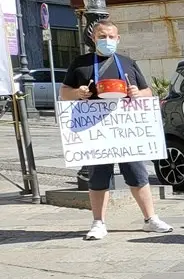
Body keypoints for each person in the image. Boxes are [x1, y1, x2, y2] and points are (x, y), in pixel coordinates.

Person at [59, 20, 173, 241]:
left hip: (125, 129)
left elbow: (147, 91)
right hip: (97, 131)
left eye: (111, 36)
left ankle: (150, 219)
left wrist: (138, 94)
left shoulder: (128, 63)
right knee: (98, 177)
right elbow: (64, 93)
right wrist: (79, 93)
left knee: (138, 174)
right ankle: (98, 222)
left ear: (118, 38)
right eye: (102, 36)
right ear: (94, 38)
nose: (107, 40)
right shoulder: (80, 64)